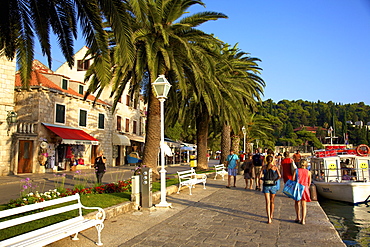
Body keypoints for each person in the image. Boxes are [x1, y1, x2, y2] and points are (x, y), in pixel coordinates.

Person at [260, 155, 281, 224]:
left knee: (267, 202)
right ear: (272, 160)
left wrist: (263, 179)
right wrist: (275, 179)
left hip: (266, 185)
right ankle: (271, 214)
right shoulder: (275, 167)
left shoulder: (264, 167)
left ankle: (269, 218)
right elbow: (279, 176)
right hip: (273, 185)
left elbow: (259, 176)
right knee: (272, 201)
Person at [293, 159, 311, 225]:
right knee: (304, 204)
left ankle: (298, 217)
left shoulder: (296, 171)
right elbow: (309, 182)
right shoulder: (308, 172)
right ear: (306, 165)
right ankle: (303, 220)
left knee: (297, 203)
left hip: (298, 188)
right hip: (305, 188)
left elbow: (293, 180)